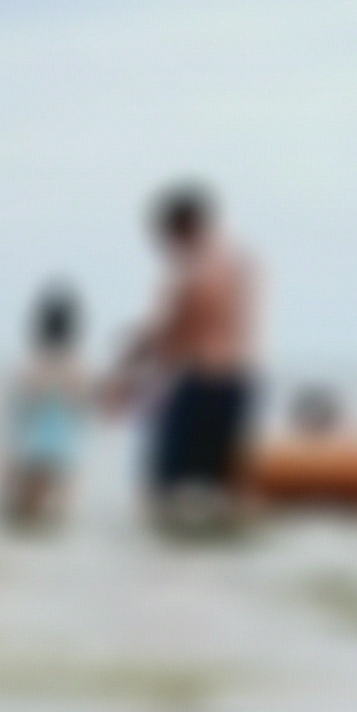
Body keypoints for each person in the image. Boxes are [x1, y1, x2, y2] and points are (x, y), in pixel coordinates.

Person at [119, 183, 260, 529]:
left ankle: (167, 570)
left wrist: (125, 372)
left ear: (180, 228)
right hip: (238, 379)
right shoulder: (239, 264)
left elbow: (171, 332)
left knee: (163, 489)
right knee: (226, 484)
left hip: (197, 381)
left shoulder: (189, 272)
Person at [0, 283, 89, 531]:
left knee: (16, 515)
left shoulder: (32, 365)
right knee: (53, 519)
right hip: (61, 451)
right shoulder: (76, 369)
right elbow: (82, 410)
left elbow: (17, 410)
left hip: (28, 448)